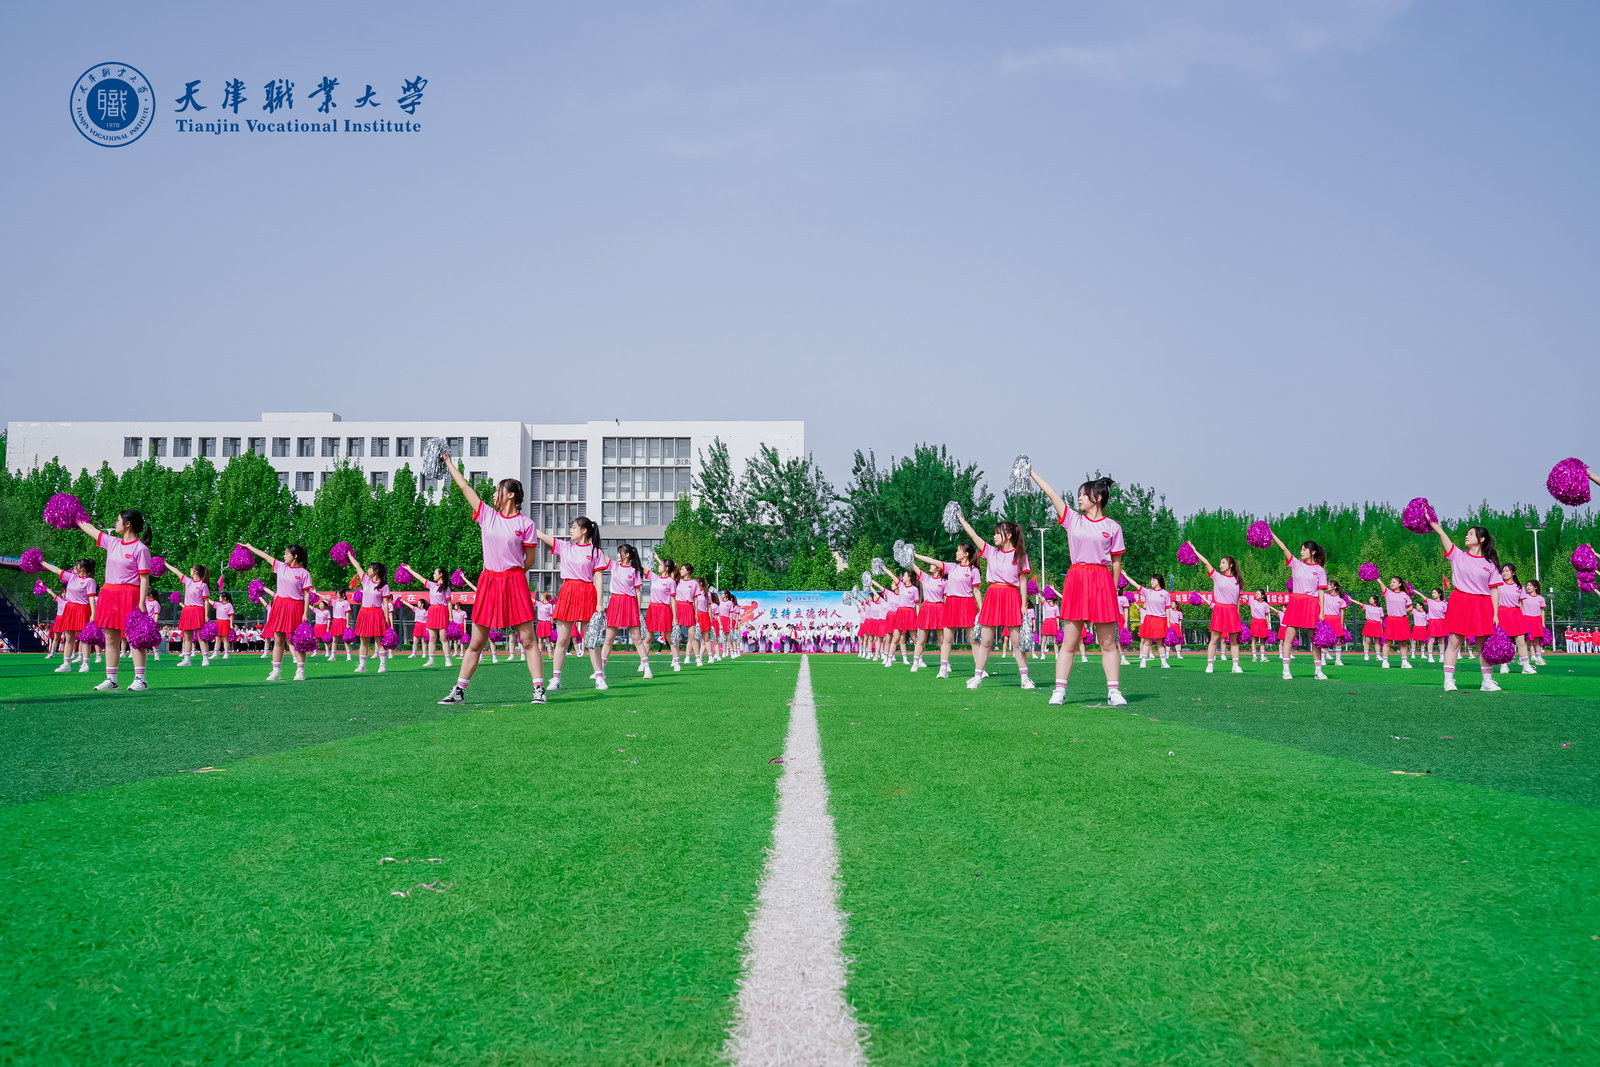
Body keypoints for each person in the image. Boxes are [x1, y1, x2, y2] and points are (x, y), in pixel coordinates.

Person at [435, 451, 547, 705]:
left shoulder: (526, 524)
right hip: (488, 582)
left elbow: (529, 560)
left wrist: (512, 576)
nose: (494, 494)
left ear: (511, 494)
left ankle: (539, 689)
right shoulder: (487, 514)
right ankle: (459, 691)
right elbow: (464, 487)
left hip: (514, 581)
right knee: (477, 641)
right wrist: (449, 462)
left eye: (498, 490)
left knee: (528, 639)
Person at [1029, 470, 1128, 705]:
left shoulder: (1113, 527)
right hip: (1077, 579)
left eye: (1084, 494)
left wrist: (1113, 590)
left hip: (1102, 581)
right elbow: (1051, 492)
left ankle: (1114, 691)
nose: (1080, 498)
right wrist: (1030, 471)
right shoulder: (1073, 519)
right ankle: (1059, 690)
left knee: (1107, 643)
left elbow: (1116, 562)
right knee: (1069, 642)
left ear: (1098, 498)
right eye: (1080, 494)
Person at [953, 509, 1033, 690]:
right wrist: (961, 519)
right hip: (993, 595)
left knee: (1016, 642)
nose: (994, 536)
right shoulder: (991, 552)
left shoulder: (1020, 555)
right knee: (986, 641)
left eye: (998, 533)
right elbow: (973, 536)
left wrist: (1023, 604)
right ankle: (977, 677)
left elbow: (1023, 582)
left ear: (1009, 535)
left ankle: (1025, 679)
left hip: (1011, 596)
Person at [73, 509, 153, 691]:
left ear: (128, 524)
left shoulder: (141, 549)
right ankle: (111, 679)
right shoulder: (112, 542)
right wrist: (74, 516)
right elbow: (91, 530)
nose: (115, 523)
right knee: (110, 637)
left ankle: (141, 679)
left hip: (130, 594)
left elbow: (144, 579)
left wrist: (141, 602)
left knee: (135, 638)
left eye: (118, 520)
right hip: (109, 594)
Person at [1424, 516, 1503, 693]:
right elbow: (1442, 534)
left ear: (1481, 539)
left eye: (1471, 534)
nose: (1467, 536)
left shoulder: (1490, 564)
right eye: (1467, 534)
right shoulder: (1458, 555)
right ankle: (1448, 680)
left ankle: (1487, 681)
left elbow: (1494, 591)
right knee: (1454, 642)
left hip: (1482, 603)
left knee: (1483, 645)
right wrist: (1431, 520)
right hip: (1460, 601)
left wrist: (1495, 614)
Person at [534, 516, 608, 691]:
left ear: (584, 530)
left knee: (592, 640)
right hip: (568, 592)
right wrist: (532, 529)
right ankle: (556, 679)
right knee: (562, 640)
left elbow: (598, 578)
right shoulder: (566, 547)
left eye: (574, 527)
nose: (571, 530)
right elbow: (543, 536)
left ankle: (599, 677)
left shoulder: (595, 551)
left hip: (587, 592)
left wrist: (600, 603)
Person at [240, 542, 315, 681]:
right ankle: (276, 671)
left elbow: (306, 594)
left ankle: (300, 671)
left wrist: (305, 613)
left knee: (296, 640)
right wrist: (250, 547)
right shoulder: (280, 566)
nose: (284, 556)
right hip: (280, 606)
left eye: (287, 553)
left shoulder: (304, 573)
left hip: (296, 606)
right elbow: (264, 556)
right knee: (279, 639)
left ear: (295, 556)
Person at [1262, 531, 1330, 681]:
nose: (1301, 552)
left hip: (1312, 604)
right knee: (1289, 637)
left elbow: (1321, 592)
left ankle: (1318, 671)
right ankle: (1286, 670)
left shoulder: (1320, 570)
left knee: (1315, 639)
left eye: (1304, 549)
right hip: (1296, 602)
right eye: (1301, 549)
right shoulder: (1296, 564)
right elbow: (1283, 548)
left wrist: (1322, 611)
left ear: (1313, 552)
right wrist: (1271, 533)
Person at [1186, 547, 1244, 674]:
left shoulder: (1237, 581)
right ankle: (1210, 665)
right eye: (1220, 563)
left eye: (1223, 563)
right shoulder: (1217, 576)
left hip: (1232, 611)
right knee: (1214, 639)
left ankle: (1235, 665)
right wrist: (1195, 551)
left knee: (1234, 641)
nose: (1220, 565)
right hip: (1219, 609)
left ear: (1231, 565)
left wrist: (1237, 615)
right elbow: (1206, 562)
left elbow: (1238, 600)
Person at [602, 543, 651, 679]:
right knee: (608, 639)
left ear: (627, 555)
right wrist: (592, 539)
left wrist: (639, 611)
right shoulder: (614, 566)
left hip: (630, 603)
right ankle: (600, 670)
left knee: (637, 639)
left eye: (620, 553)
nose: (617, 555)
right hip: (615, 602)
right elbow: (602, 555)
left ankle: (647, 668)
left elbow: (638, 592)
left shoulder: (635, 571)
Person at [39, 557, 96, 673]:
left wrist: (93, 613)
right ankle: (66, 664)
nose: (74, 567)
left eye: (76, 565)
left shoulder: (90, 581)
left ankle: (85, 663)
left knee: (84, 638)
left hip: (82, 609)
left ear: (82, 569)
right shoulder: (71, 577)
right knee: (69, 637)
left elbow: (91, 598)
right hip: (70, 608)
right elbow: (56, 570)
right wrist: (42, 562)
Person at [1495, 563, 1538, 674]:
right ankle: (1504, 665)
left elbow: (1521, 604)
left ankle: (1526, 666)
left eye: (1507, 571)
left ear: (1513, 573)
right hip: (1502, 613)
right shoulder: (1498, 585)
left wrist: (1523, 618)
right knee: (1503, 641)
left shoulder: (1520, 587)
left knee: (1521, 641)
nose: (1504, 573)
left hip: (1516, 614)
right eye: (1503, 571)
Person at [169, 563, 214, 666]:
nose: (190, 570)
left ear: (195, 572)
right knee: (187, 637)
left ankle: (205, 659)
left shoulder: (203, 585)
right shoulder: (188, 581)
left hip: (198, 610)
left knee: (201, 636)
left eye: (191, 569)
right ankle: (187, 660)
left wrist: (206, 615)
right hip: (187, 611)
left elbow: (206, 601)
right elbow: (176, 571)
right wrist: (165, 563)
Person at [1130, 576, 1172, 669]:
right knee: (1147, 642)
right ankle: (1143, 662)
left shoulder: (1165, 593)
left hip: (1161, 619)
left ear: (1159, 581)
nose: (1151, 582)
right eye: (1151, 580)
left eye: (1153, 580)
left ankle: (1164, 662)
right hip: (1149, 619)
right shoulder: (1147, 592)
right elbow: (1136, 585)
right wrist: (1125, 576)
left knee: (1160, 642)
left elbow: (1168, 608)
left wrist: (1168, 622)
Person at [673, 564, 703, 666]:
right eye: (681, 569)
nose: (681, 571)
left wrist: (696, 612)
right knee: (676, 635)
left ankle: (698, 658)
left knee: (692, 636)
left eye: (683, 569)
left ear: (688, 571)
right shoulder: (677, 581)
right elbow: (669, 571)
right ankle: (675, 658)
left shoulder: (694, 583)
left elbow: (696, 599)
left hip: (689, 607)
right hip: (678, 606)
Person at [1521, 579, 1548, 665]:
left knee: (1537, 640)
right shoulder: (1524, 597)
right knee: (1526, 640)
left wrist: (1543, 623)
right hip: (1526, 619)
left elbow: (1542, 611)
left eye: (1530, 585)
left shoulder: (1540, 598)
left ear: (1535, 587)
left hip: (1536, 620)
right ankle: (1524, 658)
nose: (1528, 587)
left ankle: (1539, 658)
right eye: (1527, 585)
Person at [214, 592, 235, 657]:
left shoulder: (229, 605)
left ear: (225, 598)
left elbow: (231, 615)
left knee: (225, 638)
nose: (219, 597)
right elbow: (209, 601)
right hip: (218, 622)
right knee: (217, 638)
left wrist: (231, 624)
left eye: (220, 596)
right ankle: (215, 653)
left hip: (225, 622)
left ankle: (226, 653)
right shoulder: (218, 604)